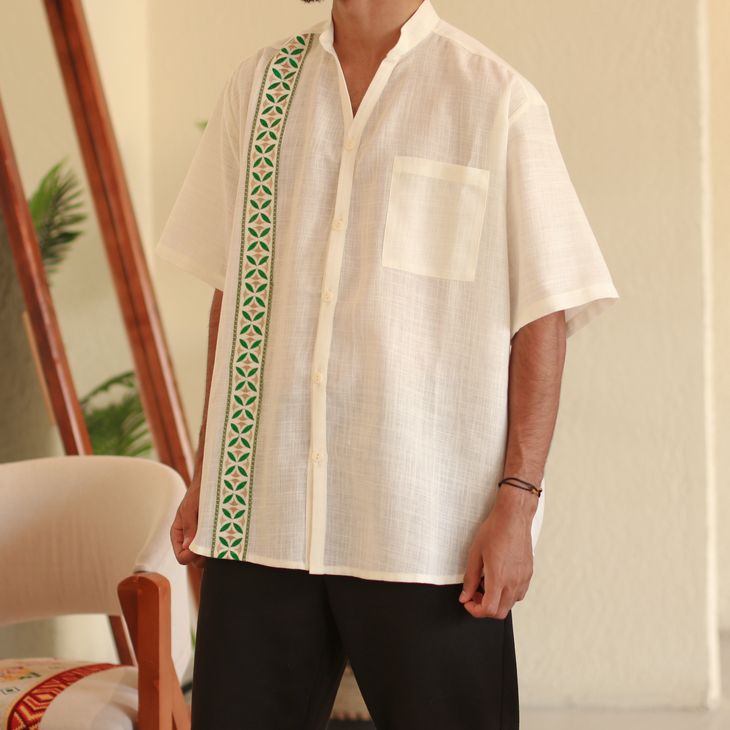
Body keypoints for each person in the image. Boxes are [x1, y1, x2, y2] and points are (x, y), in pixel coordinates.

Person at [156, 0, 618, 727]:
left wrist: (518, 502)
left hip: (426, 530)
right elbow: (235, 290)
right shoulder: (259, 88)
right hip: (263, 517)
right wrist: (209, 474)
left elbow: (544, 318)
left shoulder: (496, 100)